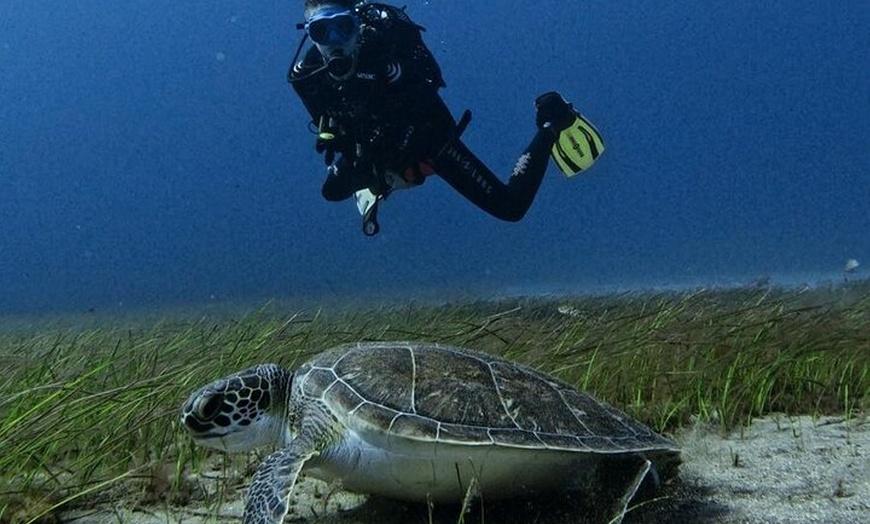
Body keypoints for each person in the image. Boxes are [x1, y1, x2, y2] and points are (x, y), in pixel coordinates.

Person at [289, 0, 603, 235]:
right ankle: (383, 180)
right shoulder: (306, 77)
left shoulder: (384, 46)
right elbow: (332, 127)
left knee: (511, 207)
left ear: (357, 23)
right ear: (310, 34)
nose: (334, 41)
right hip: (376, 144)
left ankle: (552, 119)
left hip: (427, 136)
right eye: (321, 31)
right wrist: (373, 163)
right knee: (332, 191)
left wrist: (410, 161)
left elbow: (428, 91)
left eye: (343, 27)